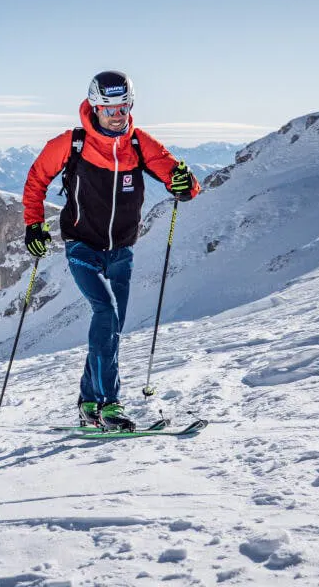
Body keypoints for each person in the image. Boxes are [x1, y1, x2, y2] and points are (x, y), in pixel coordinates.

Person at [21, 71, 200, 431]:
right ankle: (109, 405)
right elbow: (37, 178)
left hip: (122, 250)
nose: (117, 115)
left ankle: (88, 402)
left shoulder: (139, 144)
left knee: (111, 325)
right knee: (106, 311)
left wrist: (186, 184)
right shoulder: (71, 144)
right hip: (81, 244)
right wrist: (34, 225)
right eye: (110, 108)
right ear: (94, 106)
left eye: (124, 107)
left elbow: (181, 181)